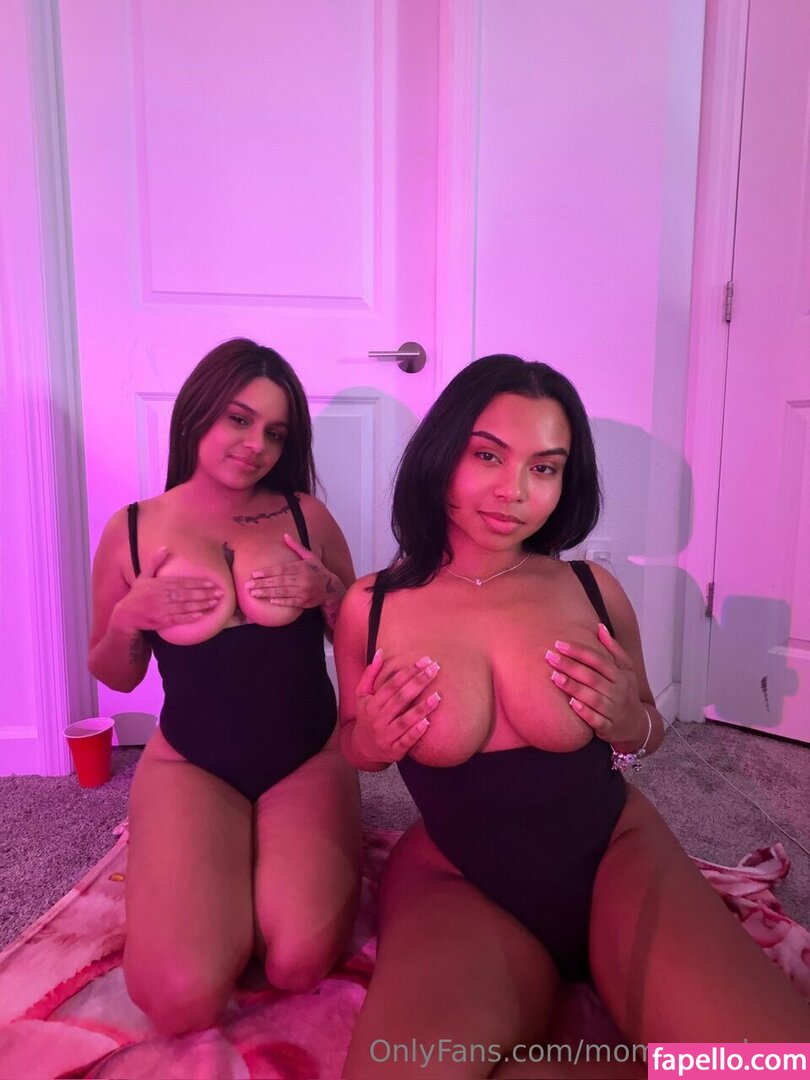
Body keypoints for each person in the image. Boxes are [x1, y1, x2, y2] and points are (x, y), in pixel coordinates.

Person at [335, 355, 809, 1078]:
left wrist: (627, 721)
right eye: (488, 456)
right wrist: (370, 739)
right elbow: (352, 743)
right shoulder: (370, 608)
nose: (515, 491)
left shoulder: (592, 589)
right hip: (459, 879)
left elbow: (648, 728)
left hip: (615, 853)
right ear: (442, 453)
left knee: (764, 1066)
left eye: (545, 468)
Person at [88, 338, 362, 1036]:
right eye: (239, 419)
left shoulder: (306, 516)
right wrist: (128, 618)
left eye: (276, 432)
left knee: (296, 960)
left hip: (306, 756)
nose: (256, 445)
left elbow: (364, 640)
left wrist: (330, 592)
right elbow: (115, 672)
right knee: (179, 995)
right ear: (198, 412)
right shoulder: (132, 529)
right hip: (191, 762)